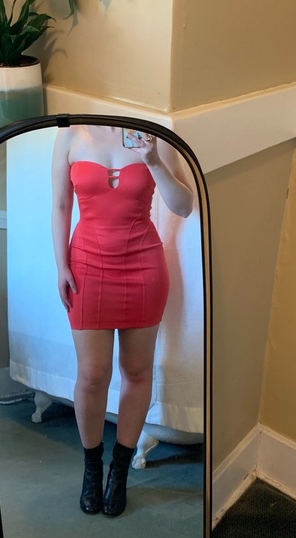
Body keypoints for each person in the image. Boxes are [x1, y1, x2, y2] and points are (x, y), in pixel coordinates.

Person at [51, 124, 194, 517]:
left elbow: (183, 206)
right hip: (86, 266)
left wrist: (153, 160)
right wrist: (61, 265)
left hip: (143, 268)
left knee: (137, 371)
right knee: (92, 375)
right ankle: (92, 467)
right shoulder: (70, 135)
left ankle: (120, 470)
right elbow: (61, 204)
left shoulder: (152, 136)